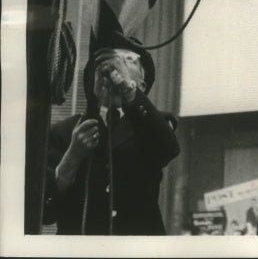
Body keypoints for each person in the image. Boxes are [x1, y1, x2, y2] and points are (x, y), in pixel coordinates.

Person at [43, 32, 179, 235]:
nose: (112, 67)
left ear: (141, 86)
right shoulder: (63, 132)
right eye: (105, 62)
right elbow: (46, 212)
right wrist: (71, 158)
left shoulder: (153, 124)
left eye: (128, 61)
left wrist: (128, 90)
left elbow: (166, 149)